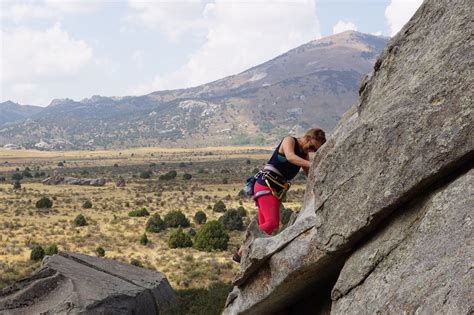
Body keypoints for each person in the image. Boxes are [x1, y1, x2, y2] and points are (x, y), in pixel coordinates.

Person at [233, 128, 326, 263]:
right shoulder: (289, 140)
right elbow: (290, 157)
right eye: (312, 146)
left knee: (265, 227)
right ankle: (242, 251)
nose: (311, 151)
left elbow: (309, 174)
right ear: (307, 137)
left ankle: (246, 256)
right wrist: (313, 163)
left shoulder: (304, 154)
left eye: (314, 150)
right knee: (272, 223)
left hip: (274, 189)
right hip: (266, 185)